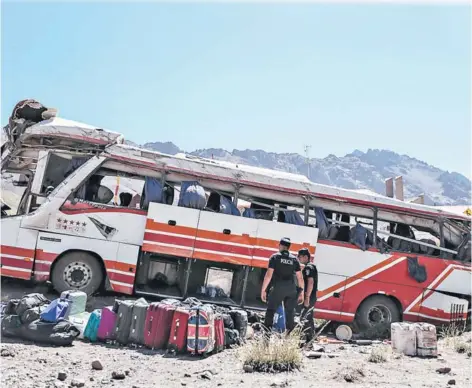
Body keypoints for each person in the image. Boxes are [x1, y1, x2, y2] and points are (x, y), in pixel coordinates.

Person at [261, 237, 304, 333]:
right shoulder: (294, 259)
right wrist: (301, 292)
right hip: (291, 290)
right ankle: (288, 339)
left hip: (277, 289)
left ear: (280, 245)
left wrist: (263, 290)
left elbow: (268, 275)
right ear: (288, 248)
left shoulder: (275, 257)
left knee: (270, 312)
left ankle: (266, 338)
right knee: (289, 314)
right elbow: (300, 277)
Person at [298, 248, 318, 343]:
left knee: (305, 317)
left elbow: (310, 282)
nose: (298, 259)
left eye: (300, 257)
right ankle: (311, 338)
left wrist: (306, 297)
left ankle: (306, 339)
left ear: (306, 257)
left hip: (309, 296)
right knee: (309, 317)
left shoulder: (309, 267)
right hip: (311, 296)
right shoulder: (311, 266)